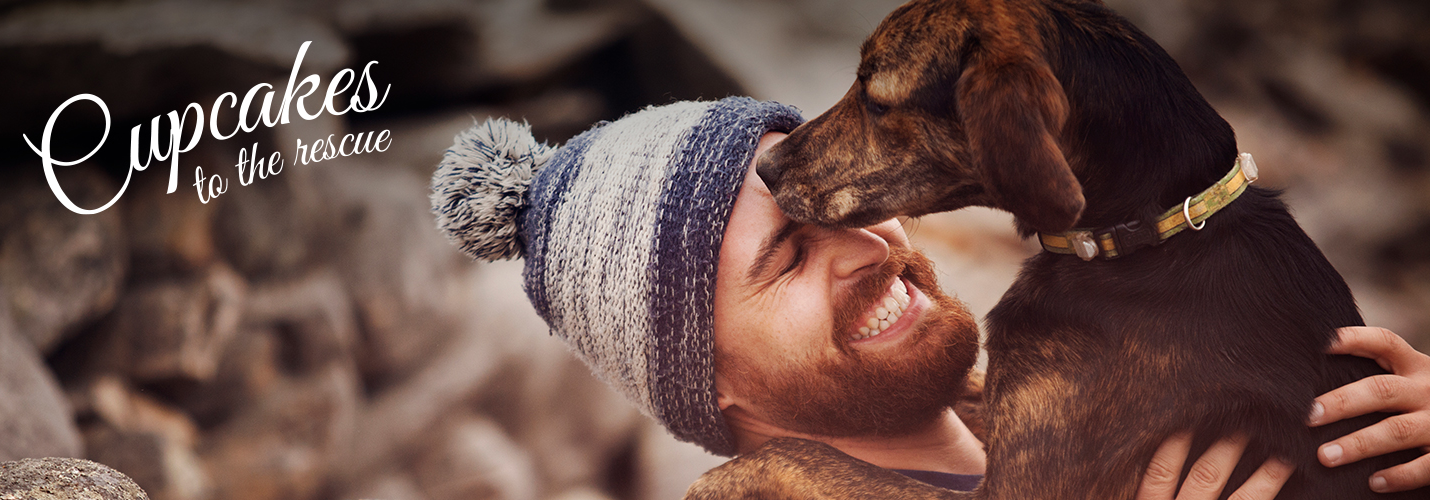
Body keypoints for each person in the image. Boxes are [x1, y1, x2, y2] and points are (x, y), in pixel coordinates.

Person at [430, 97, 1430, 497]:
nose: (870, 243)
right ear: (710, 383)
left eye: (849, 200)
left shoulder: (1089, 391)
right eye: (786, 258)